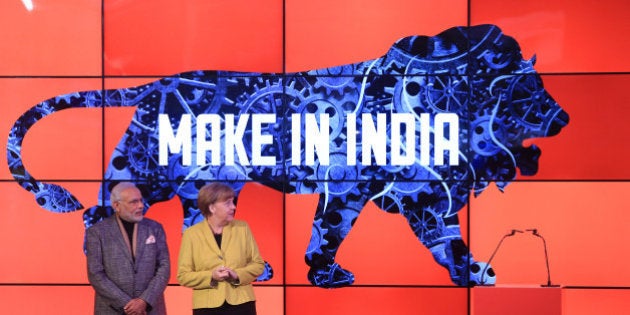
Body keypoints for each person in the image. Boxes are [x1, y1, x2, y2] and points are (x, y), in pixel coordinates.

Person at [177, 182, 265, 315]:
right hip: (206, 307)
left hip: (242, 304)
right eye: (227, 203)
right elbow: (183, 276)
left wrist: (237, 275)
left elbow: (258, 265)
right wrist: (211, 276)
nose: (233, 207)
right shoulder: (191, 234)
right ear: (212, 207)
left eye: (233, 202)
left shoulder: (242, 228)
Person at [86, 182, 171, 315]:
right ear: (116, 206)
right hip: (112, 310)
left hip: (151, 309)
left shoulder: (155, 228)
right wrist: (126, 304)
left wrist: (144, 300)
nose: (141, 206)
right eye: (134, 202)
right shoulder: (97, 232)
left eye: (141, 201)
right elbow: (95, 274)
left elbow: (164, 267)